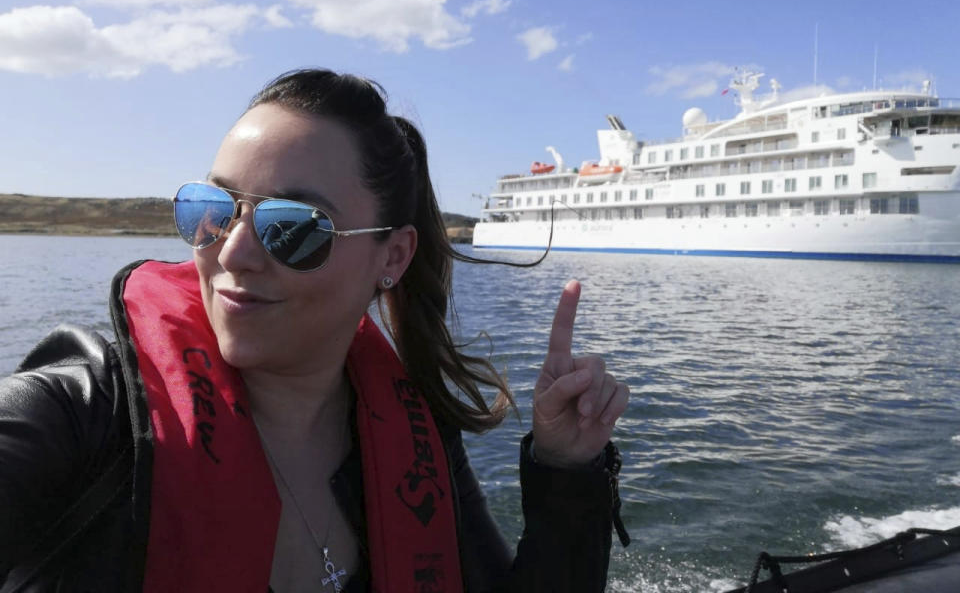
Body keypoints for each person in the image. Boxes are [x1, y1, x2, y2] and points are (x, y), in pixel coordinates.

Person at [0, 69, 630, 592]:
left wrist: (565, 467)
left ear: (393, 257)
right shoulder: (83, 415)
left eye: (295, 227)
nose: (233, 253)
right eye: (212, 210)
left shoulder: (416, 439)